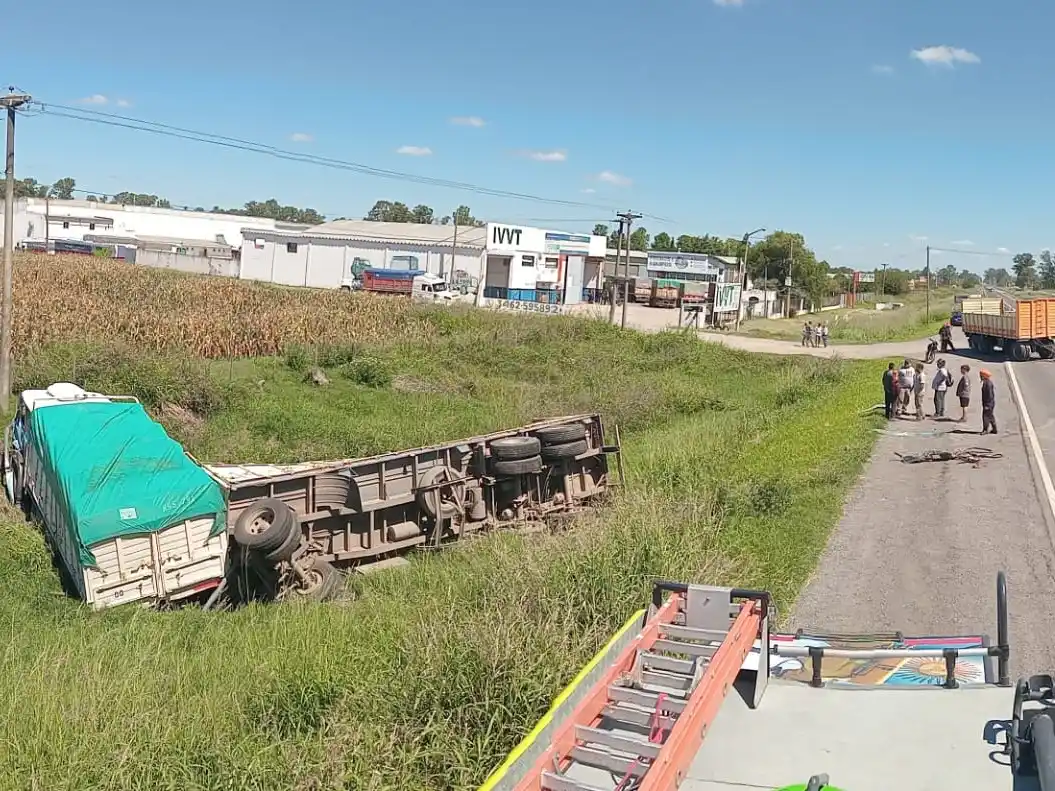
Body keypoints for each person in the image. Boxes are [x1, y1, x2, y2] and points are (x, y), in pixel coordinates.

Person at [980, 369, 997, 435]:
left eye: (981, 375)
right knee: (990, 416)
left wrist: (987, 405)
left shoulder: (987, 384)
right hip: (990, 403)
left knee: (985, 416)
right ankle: (994, 429)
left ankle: (985, 430)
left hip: (988, 403)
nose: (980, 377)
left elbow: (989, 395)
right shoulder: (987, 382)